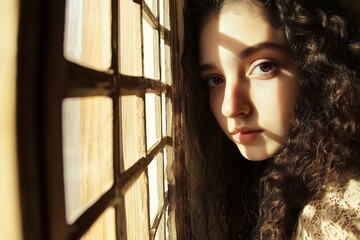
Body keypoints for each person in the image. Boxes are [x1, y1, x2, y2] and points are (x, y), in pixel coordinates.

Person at [174, 0, 360, 239]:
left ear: (316, 69)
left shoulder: (334, 216)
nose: (230, 107)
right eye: (215, 80)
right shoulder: (297, 183)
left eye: (263, 66)